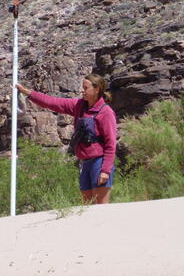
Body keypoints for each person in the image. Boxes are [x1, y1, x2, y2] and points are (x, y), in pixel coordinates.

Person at [16, 74, 117, 204]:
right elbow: (53, 102)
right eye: (82, 87)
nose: (82, 91)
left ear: (96, 90)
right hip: (85, 163)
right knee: (87, 206)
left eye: (85, 88)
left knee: (101, 207)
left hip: (99, 163)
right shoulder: (79, 106)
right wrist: (28, 93)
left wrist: (105, 171)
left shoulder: (106, 112)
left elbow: (111, 144)